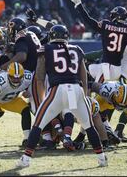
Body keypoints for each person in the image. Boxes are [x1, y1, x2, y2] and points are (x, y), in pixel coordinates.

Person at [16, 25, 107, 168]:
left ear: (51, 36)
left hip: (58, 89)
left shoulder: (45, 49)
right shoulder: (77, 49)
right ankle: (102, 158)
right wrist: (84, 93)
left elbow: (40, 77)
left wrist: (42, 97)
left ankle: (26, 159)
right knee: (88, 126)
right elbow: (83, 75)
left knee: (38, 124)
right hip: (76, 89)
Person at [69, 0, 127, 83]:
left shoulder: (106, 25)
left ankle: (85, 91)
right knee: (90, 72)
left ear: (115, 15)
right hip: (116, 69)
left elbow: (88, 20)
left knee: (89, 77)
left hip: (107, 67)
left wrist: (79, 5)